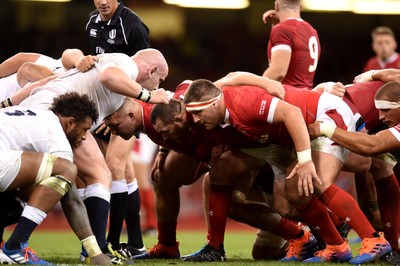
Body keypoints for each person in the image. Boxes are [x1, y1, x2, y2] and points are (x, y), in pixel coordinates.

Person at [183, 77, 392, 264]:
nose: (195, 119)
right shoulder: (216, 101)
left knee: (317, 180)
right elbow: (231, 77)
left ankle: (373, 239)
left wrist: (305, 160)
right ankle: (336, 246)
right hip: (284, 139)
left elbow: (292, 113)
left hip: (322, 117)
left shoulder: (244, 102)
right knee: (291, 197)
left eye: (198, 112)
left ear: (214, 103)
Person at [102, 81, 318, 262]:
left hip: (253, 148)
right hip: (224, 152)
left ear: (130, 114)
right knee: (162, 178)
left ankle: (323, 232)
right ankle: (168, 245)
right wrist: (162, 150)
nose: (112, 131)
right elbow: (167, 127)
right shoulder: (157, 120)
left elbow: (219, 84)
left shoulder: (190, 107)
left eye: (113, 124)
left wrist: (267, 82)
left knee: (263, 202)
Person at [3, 48, 169, 263]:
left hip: (29, 112)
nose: (158, 86)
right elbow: (108, 75)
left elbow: (66, 58)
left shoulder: (109, 69)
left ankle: (90, 249)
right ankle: (91, 250)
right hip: (51, 113)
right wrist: (149, 95)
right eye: (160, 80)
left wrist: (77, 59)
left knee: (33, 189)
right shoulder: (126, 64)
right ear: (152, 70)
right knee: (92, 174)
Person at [0, 92, 112, 265]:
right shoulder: (58, 140)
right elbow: (72, 200)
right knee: (66, 170)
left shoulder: (35, 115)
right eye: (84, 129)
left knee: (23, 190)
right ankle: (14, 246)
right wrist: (94, 252)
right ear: (70, 123)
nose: (83, 137)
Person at [85, 0, 152, 257]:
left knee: (114, 165)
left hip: (128, 107)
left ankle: (111, 242)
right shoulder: (91, 22)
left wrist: (123, 111)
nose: (102, 1)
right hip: (105, 107)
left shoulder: (133, 26)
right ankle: (136, 243)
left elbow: (145, 74)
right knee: (125, 172)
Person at [262, 0, 320, 89]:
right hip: (307, 95)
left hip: (287, 96)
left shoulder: (282, 29)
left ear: (276, 6)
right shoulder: (312, 31)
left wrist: (257, 86)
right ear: (300, 7)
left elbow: (278, 72)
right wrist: (276, 25)